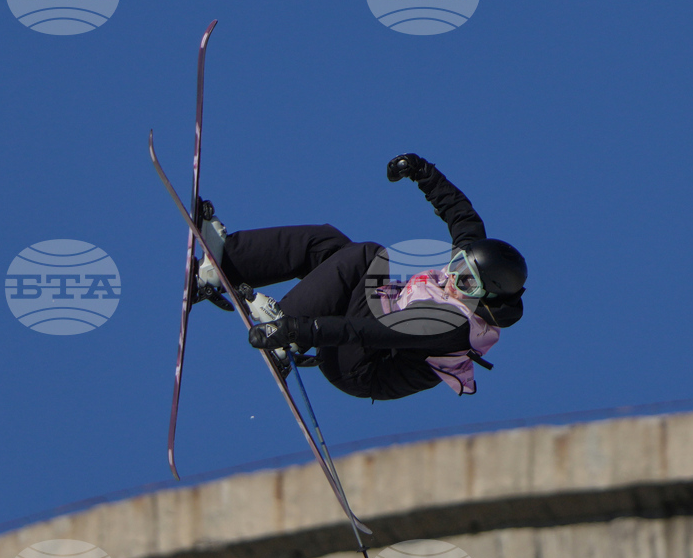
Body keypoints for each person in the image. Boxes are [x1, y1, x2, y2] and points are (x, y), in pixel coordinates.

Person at [197, 154, 527, 401]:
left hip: (361, 364)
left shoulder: (453, 325)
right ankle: (226, 262)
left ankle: (287, 329)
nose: (455, 279)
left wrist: (301, 330)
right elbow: (461, 214)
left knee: (367, 256)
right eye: (457, 265)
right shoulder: (471, 261)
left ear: (487, 297)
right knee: (330, 246)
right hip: (359, 329)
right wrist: (420, 170)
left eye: (468, 282)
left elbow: (372, 331)